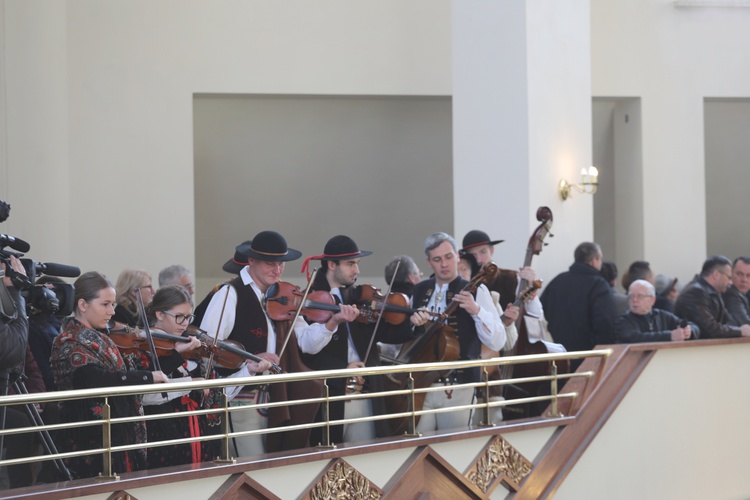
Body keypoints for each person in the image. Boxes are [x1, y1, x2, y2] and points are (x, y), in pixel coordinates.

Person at [199, 231, 357, 456]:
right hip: (242, 396)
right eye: (269, 263)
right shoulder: (229, 294)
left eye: (281, 264)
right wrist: (249, 362)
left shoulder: (282, 294)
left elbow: (306, 343)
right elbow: (207, 348)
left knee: (277, 465)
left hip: (277, 397)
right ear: (251, 260)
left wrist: (333, 322)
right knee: (252, 468)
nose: (277, 270)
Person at [49, 271, 169, 479]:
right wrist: (147, 378)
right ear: (83, 305)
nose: (112, 312)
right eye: (105, 304)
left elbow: (126, 370)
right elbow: (97, 379)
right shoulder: (68, 341)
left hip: (116, 437)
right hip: (89, 441)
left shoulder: (102, 338)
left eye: (113, 304)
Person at [299, 235, 415, 443]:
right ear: (332, 264)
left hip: (365, 392)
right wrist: (344, 368)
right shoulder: (312, 297)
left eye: (357, 264)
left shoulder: (358, 296)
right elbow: (306, 353)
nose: (357, 270)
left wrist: (412, 321)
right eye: (351, 264)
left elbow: (388, 334)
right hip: (333, 395)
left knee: (366, 460)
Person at [409, 232, 515, 433]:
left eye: (448, 257)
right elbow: (409, 339)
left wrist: (476, 310)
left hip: (459, 385)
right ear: (429, 263)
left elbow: (497, 341)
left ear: (457, 256)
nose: (444, 264)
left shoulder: (476, 290)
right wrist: (413, 324)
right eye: (437, 259)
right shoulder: (419, 290)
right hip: (422, 386)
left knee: (453, 448)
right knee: (417, 444)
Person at [140, 285, 228, 468]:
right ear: (159, 314)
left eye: (188, 317)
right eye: (179, 316)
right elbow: (148, 391)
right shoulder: (144, 345)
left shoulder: (188, 345)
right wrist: (191, 381)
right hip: (165, 435)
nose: (185, 323)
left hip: (196, 435)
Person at [540, 242, 616, 370]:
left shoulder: (557, 281)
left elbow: (540, 313)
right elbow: (605, 322)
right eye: (600, 259)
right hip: (586, 357)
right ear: (593, 261)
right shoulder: (599, 285)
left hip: (557, 358)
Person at [461, 229, 544, 320]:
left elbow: (537, 316)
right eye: (473, 255)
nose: (479, 260)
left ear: (491, 251)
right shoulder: (464, 282)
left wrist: (531, 289)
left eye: (483, 252)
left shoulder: (513, 278)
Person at [674, 256, 750, 339]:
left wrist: (739, 329)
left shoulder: (715, 292)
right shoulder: (695, 293)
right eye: (729, 277)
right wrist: (740, 331)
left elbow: (729, 321)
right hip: (692, 350)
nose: (730, 282)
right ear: (716, 275)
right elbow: (709, 329)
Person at [615, 280, 698, 343]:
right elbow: (635, 338)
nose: (634, 300)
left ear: (652, 300)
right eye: (631, 296)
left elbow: (694, 326)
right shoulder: (623, 321)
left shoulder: (662, 316)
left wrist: (689, 331)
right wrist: (669, 336)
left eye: (640, 296)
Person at [723, 256, 750, 327]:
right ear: (731, 274)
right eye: (739, 274)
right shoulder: (731, 293)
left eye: (749, 275)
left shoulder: (747, 293)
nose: (744, 280)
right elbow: (745, 322)